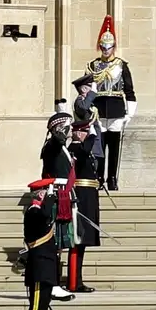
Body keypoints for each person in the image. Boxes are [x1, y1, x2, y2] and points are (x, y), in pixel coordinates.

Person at [85, 15, 137, 190]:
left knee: (114, 146)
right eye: (103, 47)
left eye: (109, 47)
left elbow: (129, 90)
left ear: (113, 47)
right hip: (98, 109)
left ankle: (112, 178)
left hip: (116, 109)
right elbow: (87, 89)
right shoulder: (93, 66)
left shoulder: (121, 65)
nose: (106, 50)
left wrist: (130, 113)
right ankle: (99, 177)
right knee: (99, 146)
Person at [21, 179, 60, 310]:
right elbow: (44, 214)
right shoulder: (33, 212)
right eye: (47, 191)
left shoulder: (40, 211)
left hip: (45, 272)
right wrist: (50, 197)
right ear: (41, 193)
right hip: (39, 272)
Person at [39, 101, 76, 301]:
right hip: (56, 198)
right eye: (69, 127)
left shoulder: (64, 149)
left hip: (64, 196)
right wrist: (60, 128)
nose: (72, 130)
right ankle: (52, 284)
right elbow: (56, 141)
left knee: (59, 246)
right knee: (54, 244)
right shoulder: (52, 146)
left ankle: (55, 283)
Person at [67, 119, 99, 293]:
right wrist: (92, 136)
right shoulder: (75, 148)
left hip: (88, 197)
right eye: (86, 132)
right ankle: (74, 282)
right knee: (78, 241)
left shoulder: (81, 148)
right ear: (79, 133)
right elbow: (85, 150)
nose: (89, 135)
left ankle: (76, 280)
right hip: (82, 197)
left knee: (82, 243)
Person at [72, 74, 104, 186]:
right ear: (84, 89)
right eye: (90, 86)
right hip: (86, 138)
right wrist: (92, 93)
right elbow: (83, 108)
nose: (92, 89)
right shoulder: (79, 101)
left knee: (97, 161)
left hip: (94, 137)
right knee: (90, 163)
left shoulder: (89, 101)